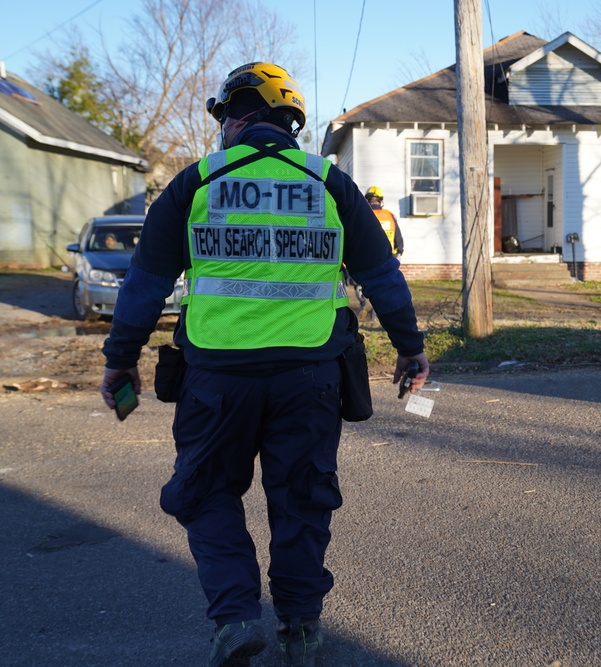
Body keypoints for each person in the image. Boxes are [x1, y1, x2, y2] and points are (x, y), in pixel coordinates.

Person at [99, 62, 429, 667]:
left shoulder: (195, 183)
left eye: (222, 116)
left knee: (206, 493)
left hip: (216, 381)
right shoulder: (329, 181)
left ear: (240, 112)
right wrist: (411, 349)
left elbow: (144, 286)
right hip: (311, 379)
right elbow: (383, 276)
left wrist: (120, 362)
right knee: (302, 500)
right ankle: (300, 630)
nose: (220, 128)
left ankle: (234, 619)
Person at [351, 186, 402, 319]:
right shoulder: (389, 216)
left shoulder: (360, 214)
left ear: (367, 200)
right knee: (384, 287)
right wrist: (398, 253)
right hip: (386, 258)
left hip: (363, 258)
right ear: (380, 200)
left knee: (361, 285)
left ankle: (365, 304)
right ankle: (378, 313)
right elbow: (398, 239)